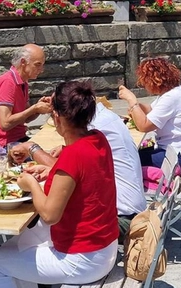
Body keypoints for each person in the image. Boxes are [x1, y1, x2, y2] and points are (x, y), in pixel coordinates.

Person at [0, 80, 119, 288]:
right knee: (18, 244)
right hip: (104, 247)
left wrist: (31, 182)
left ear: (57, 117)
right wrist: (49, 170)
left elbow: (49, 214)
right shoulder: (97, 139)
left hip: (83, 259)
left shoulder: (73, 155)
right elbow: (78, 177)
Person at [11, 102, 146, 239]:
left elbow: (50, 215)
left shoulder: (93, 130)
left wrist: (32, 150)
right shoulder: (99, 130)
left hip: (118, 219)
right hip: (121, 216)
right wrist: (57, 160)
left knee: (30, 233)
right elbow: (81, 166)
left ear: (59, 117)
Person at [119, 57, 181, 175]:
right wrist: (138, 107)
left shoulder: (171, 98)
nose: (143, 85)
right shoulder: (172, 93)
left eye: (144, 81)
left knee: (128, 159)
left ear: (154, 80)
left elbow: (144, 126)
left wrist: (132, 101)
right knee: (136, 153)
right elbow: (151, 109)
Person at [0, 44, 51, 150]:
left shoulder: (22, 82)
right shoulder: (8, 83)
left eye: (42, 65)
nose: (41, 69)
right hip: (4, 144)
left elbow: (26, 118)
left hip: (18, 138)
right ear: (23, 62)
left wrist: (38, 109)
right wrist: (33, 109)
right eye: (38, 65)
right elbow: (5, 124)